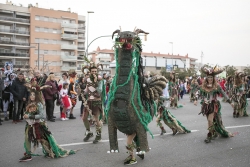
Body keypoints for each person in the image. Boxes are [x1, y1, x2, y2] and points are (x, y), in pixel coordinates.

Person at [19, 84, 77, 162]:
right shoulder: (29, 103)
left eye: (33, 95)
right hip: (30, 125)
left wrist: (30, 116)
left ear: (37, 95)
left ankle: (50, 151)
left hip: (39, 124)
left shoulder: (39, 104)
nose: (32, 96)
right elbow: (27, 112)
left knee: (43, 140)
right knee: (27, 138)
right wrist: (25, 115)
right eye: (31, 95)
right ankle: (28, 155)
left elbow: (42, 115)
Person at [194, 66, 234, 143]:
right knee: (209, 121)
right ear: (206, 78)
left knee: (210, 120)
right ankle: (214, 132)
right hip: (205, 106)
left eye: (211, 78)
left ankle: (209, 135)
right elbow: (198, 92)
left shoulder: (217, 86)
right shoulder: (203, 86)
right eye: (208, 78)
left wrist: (230, 102)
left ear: (213, 79)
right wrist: (195, 100)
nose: (210, 79)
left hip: (213, 105)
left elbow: (224, 94)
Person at [82, 63, 104, 144]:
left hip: (96, 101)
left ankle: (99, 135)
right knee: (84, 118)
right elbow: (87, 90)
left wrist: (95, 82)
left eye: (95, 71)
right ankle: (89, 132)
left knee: (96, 119)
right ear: (90, 72)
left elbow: (99, 91)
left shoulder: (100, 80)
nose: (94, 73)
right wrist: (82, 92)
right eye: (92, 71)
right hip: (89, 101)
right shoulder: (87, 79)